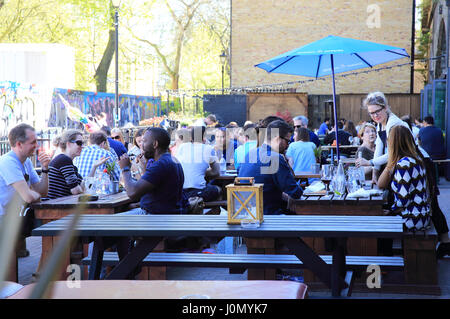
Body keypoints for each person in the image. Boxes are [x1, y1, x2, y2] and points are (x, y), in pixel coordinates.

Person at [0, 124, 52, 257]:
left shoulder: (26, 161)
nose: (36, 145)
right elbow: (28, 197)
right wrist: (33, 194)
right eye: (33, 142)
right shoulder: (8, 162)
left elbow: (42, 192)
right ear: (19, 144)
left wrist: (45, 169)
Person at [238, 120, 302, 215]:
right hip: (268, 216)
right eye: (287, 141)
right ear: (277, 138)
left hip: (246, 214)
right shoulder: (275, 158)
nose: (288, 145)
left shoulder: (249, 154)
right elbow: (295, 193)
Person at [118, 127, 185, 214]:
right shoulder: (171, 159)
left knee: (109, 222)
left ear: (155, 144)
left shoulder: (160, 165)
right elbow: (151, 186)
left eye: (144, 141)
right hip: (167, 213)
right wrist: (145, 163)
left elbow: (132, 193)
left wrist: (125, 168)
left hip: (155, 217)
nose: (141, 145)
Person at [377, 125, 431, 231]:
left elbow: (403, 199)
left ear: (393, 143)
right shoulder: (415, 159)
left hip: (412, 219)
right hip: (420, 215)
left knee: (376, 226)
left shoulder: (404, 164)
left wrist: (390, 211)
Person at [176, 126, 221, 202]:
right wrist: (203, 172)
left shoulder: (182, 147)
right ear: (204, 137)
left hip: (181, 192)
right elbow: (216, 172)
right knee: (219, 189)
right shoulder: (209, 149)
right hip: (198, 191)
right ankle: (214, 212)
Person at [47, 130, 85, 199]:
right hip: (52, 206)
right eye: (79, 143)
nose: (82, 146)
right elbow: (75, 190)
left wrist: (94, 167)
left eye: (83, 143)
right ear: (69, 144)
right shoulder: (64, 160)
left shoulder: (68, 163)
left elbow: (82, 186)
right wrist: (81, 189)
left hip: (58, 204)